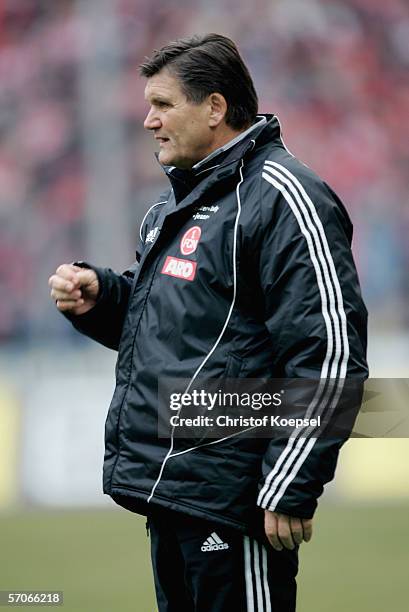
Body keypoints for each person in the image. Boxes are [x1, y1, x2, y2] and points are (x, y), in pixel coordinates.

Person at [49, 33, 368, 612]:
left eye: (163, 104)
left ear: (215, 107)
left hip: (233, 494)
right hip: (175, 492)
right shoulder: (175, 205)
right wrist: (103, 299)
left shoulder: (282, 195)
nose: (147, 120)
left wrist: (288, 483)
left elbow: (330, 352)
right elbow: (179, 338)